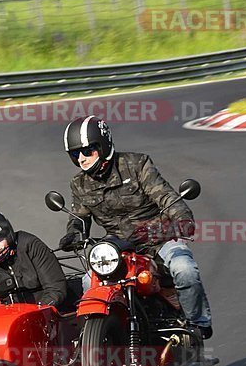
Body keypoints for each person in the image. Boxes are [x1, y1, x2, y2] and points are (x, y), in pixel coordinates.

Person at [58, 116, 213, 339]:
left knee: (184, 269)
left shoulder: (137, 164)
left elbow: (167, 197)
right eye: (75, 154)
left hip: (159, 237)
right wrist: (73, 233)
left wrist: (182, 219)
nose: (81, 158)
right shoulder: (79, 184)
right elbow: (80, 218)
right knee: (87, 281)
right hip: (118, 247)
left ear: (103, 146)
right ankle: (98, 339)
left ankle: (197, 322)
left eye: (87, 151)